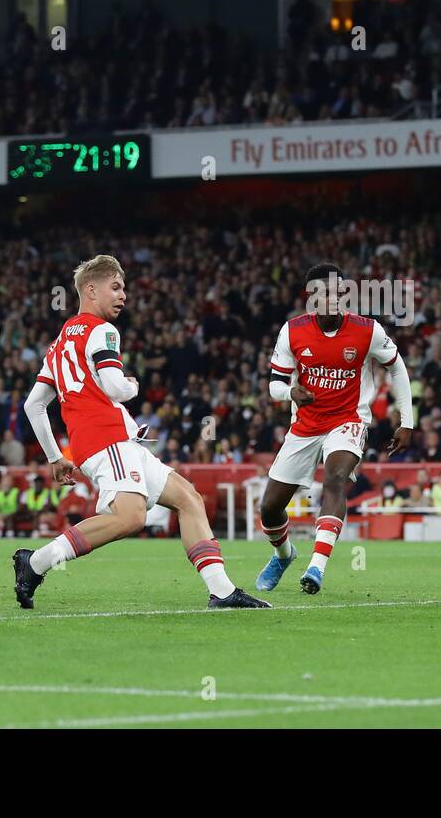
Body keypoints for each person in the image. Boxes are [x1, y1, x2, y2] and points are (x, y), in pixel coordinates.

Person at [16, 254, 267, 609]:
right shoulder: (102, 331)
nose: (123, 296)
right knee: (130, 516)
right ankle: (36, 562)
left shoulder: (57, 344)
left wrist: (55, 456)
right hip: (107, 440)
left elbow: (33, 405)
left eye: (125, 289)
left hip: (106, 442)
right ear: (90, 289)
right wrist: (132, 385)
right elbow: (117, 388)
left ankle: (222, 591)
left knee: (189, 499)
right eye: (115, 287)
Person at [254, 263, 414, 595]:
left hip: (348, 420)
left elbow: (397, 367)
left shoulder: (368, 331)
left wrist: (407, 421)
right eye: (324, 292)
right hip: (305, 426)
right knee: (269, 507)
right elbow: (274, 385)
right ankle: (283, 555)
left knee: (336, 478)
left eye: (338, 291)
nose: (333, 297)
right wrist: (290, 392)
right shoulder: (292, 331)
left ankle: (316, 567)